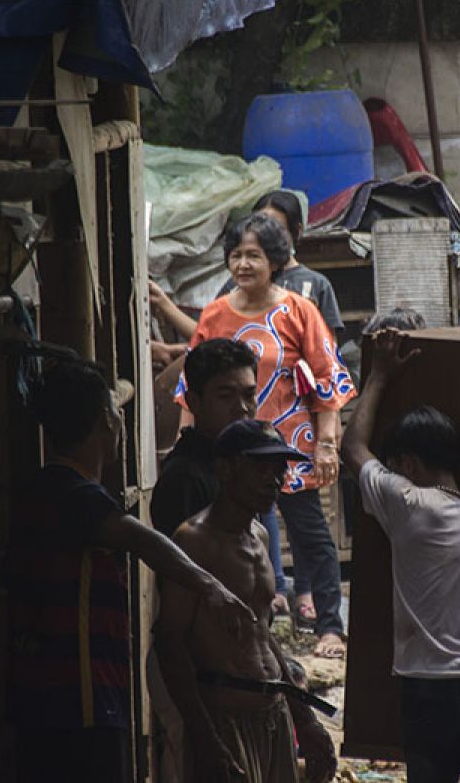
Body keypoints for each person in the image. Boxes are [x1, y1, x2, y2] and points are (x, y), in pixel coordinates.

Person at [6, 361, 254, 783]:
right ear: (107, 420)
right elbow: (144, 541)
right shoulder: (74, 493)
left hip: (50, 698)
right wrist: (211, 586)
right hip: (80, 701)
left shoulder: (48, 488)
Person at [341, 330, 460, 783]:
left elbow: (351, 448)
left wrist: (380, 376)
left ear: (405, 463)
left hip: (430, 690)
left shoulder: (405, 502)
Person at [184, 211, 356, 658]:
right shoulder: (216, 314)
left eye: (254, 255)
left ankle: (330, 627)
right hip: (234, 449)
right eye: (236, 255)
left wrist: (326, 443)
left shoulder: (300, 310)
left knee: (310, 534)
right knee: (243, 535)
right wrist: (189, 445)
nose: (243, 264)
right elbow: (192, 386)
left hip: (291, 446)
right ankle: (256, 625)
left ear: (275, 260)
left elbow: (327, 380)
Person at [155, 419, 338, 783]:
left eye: (279, 470)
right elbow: (170, 642)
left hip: (272, 716)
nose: (273, 479)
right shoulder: (195, 541)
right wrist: (205, 738)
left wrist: (304, 718)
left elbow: (261, 632)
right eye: (260, 468)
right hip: (225, 719)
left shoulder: (257, 535)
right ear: (224, 469)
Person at [152, 338, 290, 610]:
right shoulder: (185, 478)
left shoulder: (244, 464)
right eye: (225, 396)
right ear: (194, 401)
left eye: (249, 395)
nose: (242, 408)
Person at [218, 190, 346, 341]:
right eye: (260, 228)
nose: (266, 236)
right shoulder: (238, 285)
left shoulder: (316, 285)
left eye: (276, 228)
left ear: (296, 231)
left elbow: (328, 347)